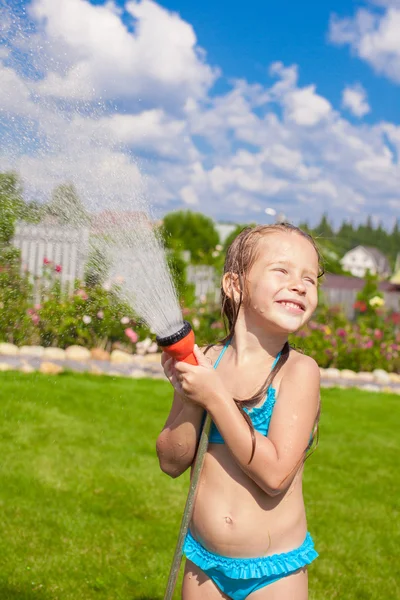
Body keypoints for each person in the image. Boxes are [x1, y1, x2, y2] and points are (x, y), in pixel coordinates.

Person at [156, 223, 322, 600]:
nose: (299, 284)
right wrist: (187, 399)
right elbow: (171, 461)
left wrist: (216, 399)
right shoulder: (209, 362)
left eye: (309, 279)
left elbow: (276, 474)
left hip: (274, 573)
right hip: (205, 567)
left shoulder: (297, 371)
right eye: (281, 270)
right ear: (235, 285)